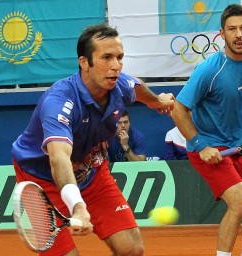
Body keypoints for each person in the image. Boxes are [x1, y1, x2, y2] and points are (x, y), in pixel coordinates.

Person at [11, 24, 175, 256]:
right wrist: (77, 207)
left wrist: (156, 101)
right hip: (42, 180)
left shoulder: (119, 85)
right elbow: (58, 159)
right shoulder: (59, 102)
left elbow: (136, 87)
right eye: (106, 57)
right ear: (84, 63)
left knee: (132, 249)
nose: (116, 66)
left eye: (119, 57)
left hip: (91, 173)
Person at [172, 4, 242, 256]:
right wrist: (200, 145)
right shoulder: (209, 69)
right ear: (222, 34)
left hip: (238, 145)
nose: (238, 34)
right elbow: (179, 109)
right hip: (206, 145)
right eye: (232, 29)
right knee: (240, 201)